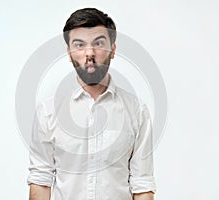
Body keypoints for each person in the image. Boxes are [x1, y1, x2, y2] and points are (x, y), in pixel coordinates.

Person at [28, 8, 156, 200]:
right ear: (69, 52)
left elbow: (142, 183)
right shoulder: (48, 112)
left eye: (99, 43)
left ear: (113, 50)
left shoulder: (137, 111)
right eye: (79, 45)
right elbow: (41, 179)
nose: (90, 53)